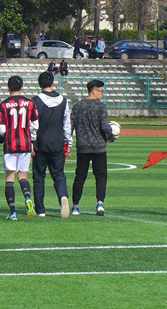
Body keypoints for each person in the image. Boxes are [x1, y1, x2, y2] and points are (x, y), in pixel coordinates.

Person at [70, 79, 116, 216]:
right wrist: (112, 137)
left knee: (80, 176)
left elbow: (70, 126)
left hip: (82, 146)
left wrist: (67, 143)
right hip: (99, 147)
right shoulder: (101, 107)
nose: (102, 94)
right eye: (101, 91)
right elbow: (105, 126)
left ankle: (75, 206)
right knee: (101, 176)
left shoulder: (78, 106)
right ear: (94, 91)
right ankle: (100, 204)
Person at [0, 75, 39, 220]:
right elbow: (35, 125)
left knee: (10, 178)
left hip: (10, 145)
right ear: (22, 88)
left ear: (8, 87)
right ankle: (27, 198)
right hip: (25, 144)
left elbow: (1, 129)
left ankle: (13, 212)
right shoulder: (30, 103)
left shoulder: (3, 105)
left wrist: (6, 134)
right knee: (23, 176)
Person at [31, 71, 71, 218]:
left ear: (39, 84)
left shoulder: (35, 101)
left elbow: (32, 124)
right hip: (57, 142)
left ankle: (40, 210)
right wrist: (68, 142)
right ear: (53, 83)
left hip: (40, 143)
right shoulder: (63, 101)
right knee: (59, 174)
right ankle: (63, 196)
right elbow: (67, 124)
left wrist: (31, 142)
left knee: (39, 176)